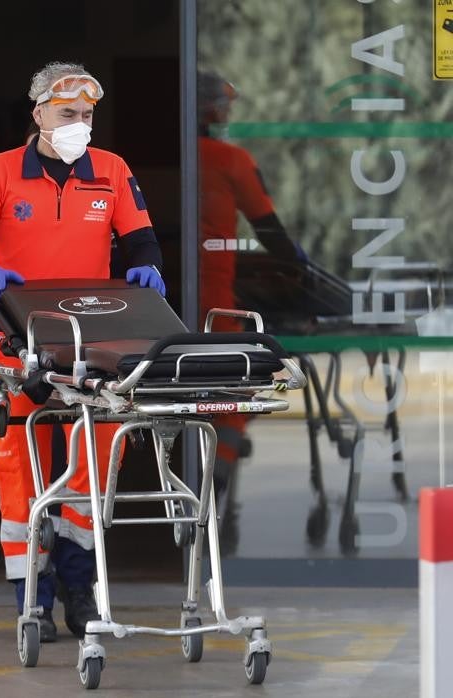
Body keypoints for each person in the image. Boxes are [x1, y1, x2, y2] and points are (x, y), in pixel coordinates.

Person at [0, 62, 165, 643]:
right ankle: (31, 599)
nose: (79, 125)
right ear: (38, 113)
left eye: (87, 116)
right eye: (67, 114)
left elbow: (141, 236)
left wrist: (147, 264)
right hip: (16, 343)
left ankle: (78, 588)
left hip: (90, 349)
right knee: (18, 477)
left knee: (89, 474)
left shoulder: (111, 171)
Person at [197, 70, 305, 553]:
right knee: (239, 394)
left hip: (163, 304)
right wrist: (298, 269)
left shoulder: (138, 162)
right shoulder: (229, 160)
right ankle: (213, 499)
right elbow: (271, 232)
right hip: (215, 307)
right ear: (213, 111)